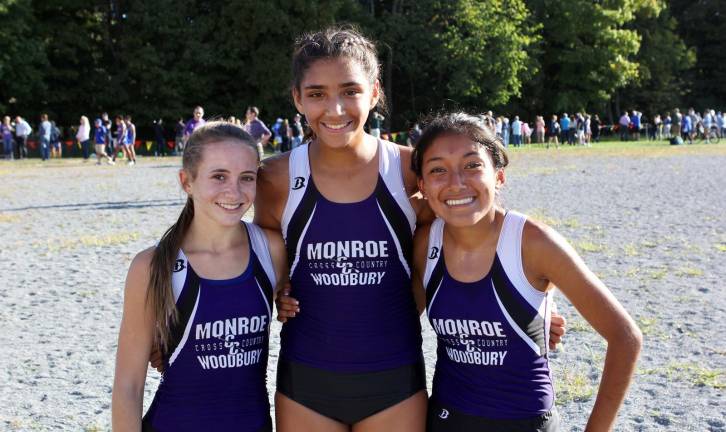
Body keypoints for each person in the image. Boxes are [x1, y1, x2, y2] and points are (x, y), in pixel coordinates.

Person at [260, 27, 566, 432]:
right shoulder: (277, 177)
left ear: (374, 92)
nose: (334, 109)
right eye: (316, 94)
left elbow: (478, 230)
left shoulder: (409, 170)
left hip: (395, 382)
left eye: (350, 91)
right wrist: (279, 290)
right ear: (297, 98)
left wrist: (540, 299)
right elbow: (261, 257)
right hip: (306, 382)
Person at [411, 112, 642, 431]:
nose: (456, 182)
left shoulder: (533, 243)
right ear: (422, 184)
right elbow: (397, 326)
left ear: (499, 175)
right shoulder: (425, 243)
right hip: (447, 419)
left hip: (526, 422)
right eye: (438, 169)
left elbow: (625, 337)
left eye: (472, 165)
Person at [113, 121, 287, 431]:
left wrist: (287, 299)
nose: (233, 191)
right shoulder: (154, 266)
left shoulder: (270, 249)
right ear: (187, 181)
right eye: (219, 176)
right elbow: (128, 384)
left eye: (246, 178)